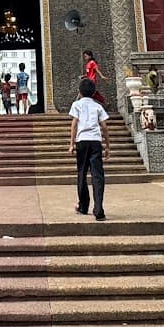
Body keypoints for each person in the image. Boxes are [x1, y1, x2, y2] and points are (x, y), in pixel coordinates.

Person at [68, 76, 109, 220]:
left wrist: (71, 144)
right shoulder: (98, 106)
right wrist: (107, 146)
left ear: (79, 91)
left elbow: (74, 124)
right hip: (96, 141)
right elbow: (104, 127)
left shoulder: (76, 105)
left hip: (82, 141)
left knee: (82, 173)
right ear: (94, 93)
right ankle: (99, 209)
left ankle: (83, 206)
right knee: (98, 176)